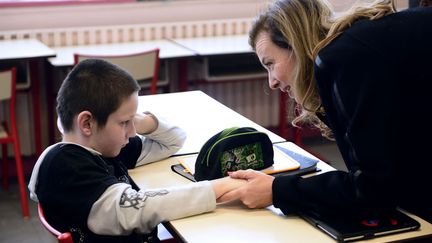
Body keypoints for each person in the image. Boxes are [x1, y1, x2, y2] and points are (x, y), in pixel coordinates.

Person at [222, 0, 432, 223]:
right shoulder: (357, 44)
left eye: (270, 63)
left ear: (295, 43)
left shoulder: (344, 58)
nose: (271, 82)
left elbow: (372, 192)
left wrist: (277, 190)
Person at [28, 59, 245, 243]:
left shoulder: (100, 145)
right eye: (124, 122)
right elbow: (133, 209)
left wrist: (143, 121)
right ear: (87, 123)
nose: (132, 133)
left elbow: (173, 141)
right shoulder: (66, 165)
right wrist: (216, 188)